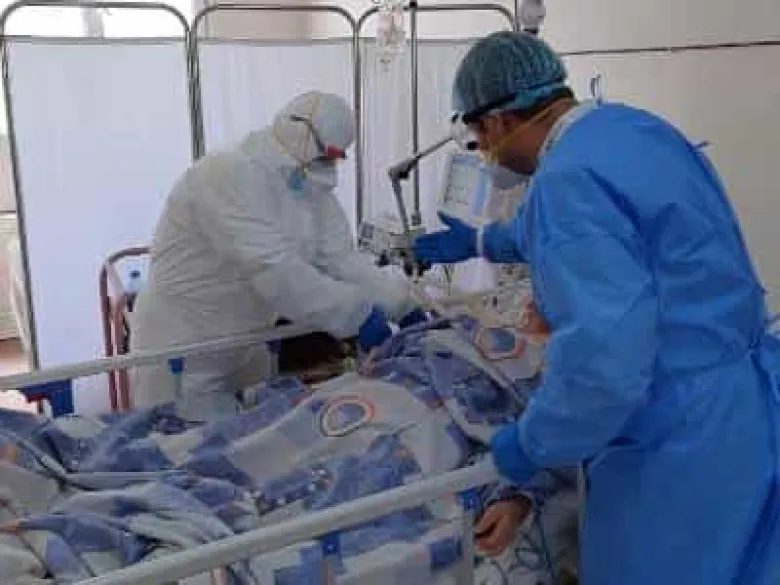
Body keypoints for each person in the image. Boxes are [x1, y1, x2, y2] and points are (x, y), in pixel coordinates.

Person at [414, 30, 780, 585]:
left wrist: (533, 443)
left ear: (496, 122)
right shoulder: (633, 131)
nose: (484, 153)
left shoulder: (566, 181)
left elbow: (603, 364)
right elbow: (600, 231)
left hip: (676, 440)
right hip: (739, 403)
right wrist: (484, 241)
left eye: (477, 138)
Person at [131, 91, 426, 419]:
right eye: (326, 156)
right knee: (178, 440)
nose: (329, 166)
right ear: (299, 132)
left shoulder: (311, 187)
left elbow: (341, 259)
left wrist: (401, 305)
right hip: (184, 346)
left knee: (250, 438)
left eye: (336, 158)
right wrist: (358, 316)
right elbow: (276, 271)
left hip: (246, 341)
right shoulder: (228, 172)